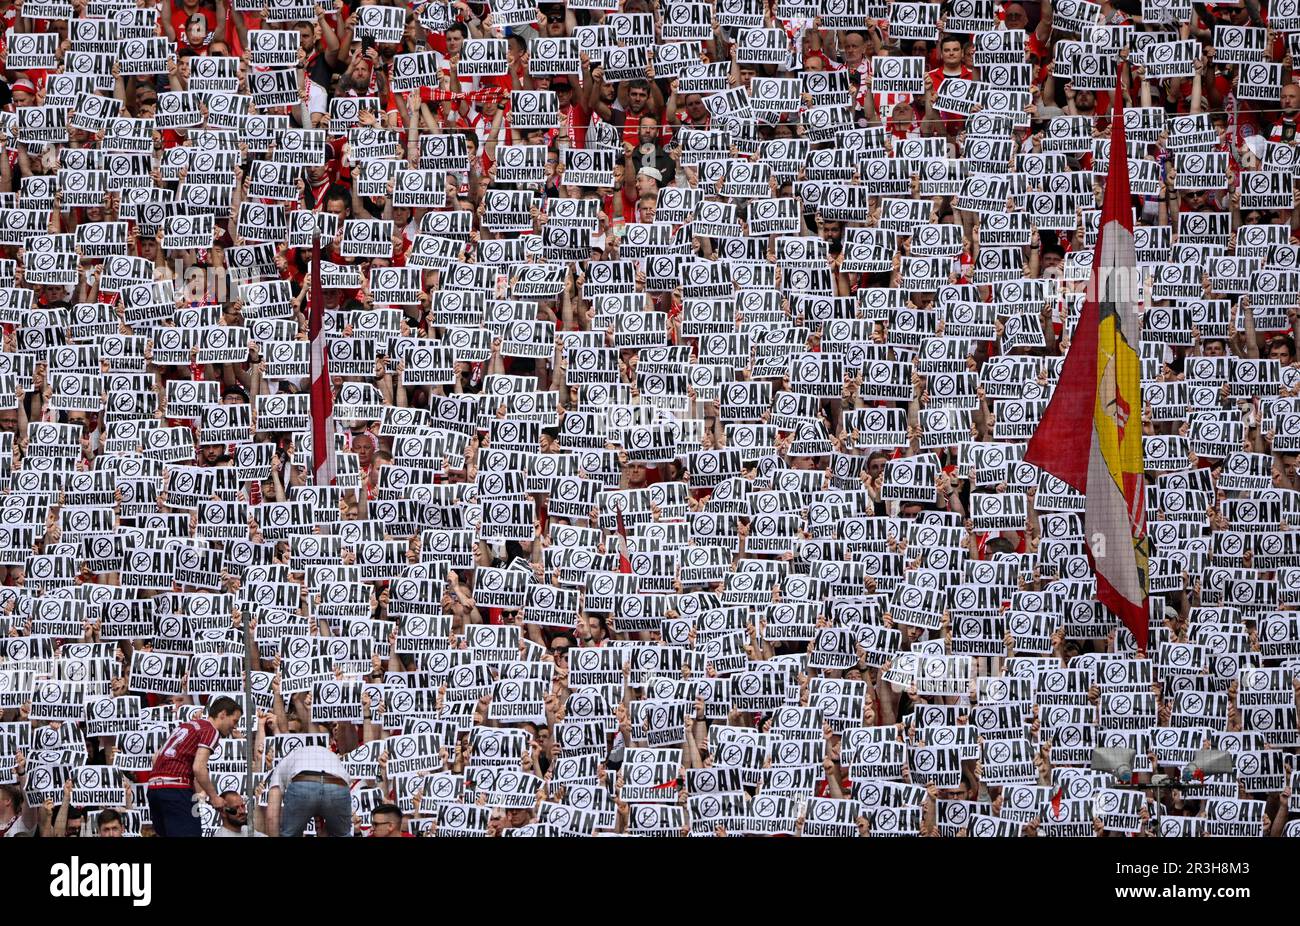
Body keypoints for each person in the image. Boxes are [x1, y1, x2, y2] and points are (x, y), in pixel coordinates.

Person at [145, 697, 242, 838]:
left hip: (154, 789)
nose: (235, 726)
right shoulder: (211, 730)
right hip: (175, 791)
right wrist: (214, 797)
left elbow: (155, 758)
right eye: (235, 721)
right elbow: (198, 767)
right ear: (222, 714)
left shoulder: (186, 725)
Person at [266, 744, 354, 838]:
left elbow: (271, 817)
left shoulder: (280, 766)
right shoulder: (328, 754)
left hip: (304, 781)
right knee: (342, 834)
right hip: (337, 783)